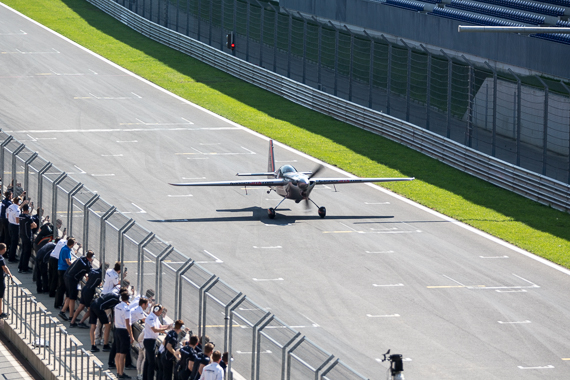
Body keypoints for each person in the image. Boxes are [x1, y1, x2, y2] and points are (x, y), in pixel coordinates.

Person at [89, 288, 126, 352]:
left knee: (93, 326)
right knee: (108, 325)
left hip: (93, 304)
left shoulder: (113, 295)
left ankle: (93, 346)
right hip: (99, 307)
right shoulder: (116, 299)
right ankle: (105, 345)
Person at [62, 250, 94, 324]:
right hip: (72, 279)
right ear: (91, 258)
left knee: (69, 296)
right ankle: (71, 316)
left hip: (67, 275)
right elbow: (91, 273)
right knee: (72, 298)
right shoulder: (86, 265)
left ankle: (63, 311)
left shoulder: (81, 258)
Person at [142, 304, 170, 380]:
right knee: (151, 363)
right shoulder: (150, 318)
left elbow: (160, 327)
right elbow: (155, 329)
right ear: (156, 310)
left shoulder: (155, 317)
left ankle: (145, 377)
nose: (161, 313)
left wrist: (168, 328)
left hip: (151, 341)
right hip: (149, 341)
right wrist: (167, 329)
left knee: (148, 362)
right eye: (160, 311)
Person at [114, 292, 134, 379]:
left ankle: (118, 372)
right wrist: (131, 336)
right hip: (123, 332)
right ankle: (121, 374)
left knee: (118, 353)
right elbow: (128, 324)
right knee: (123, 354)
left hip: (117, 329)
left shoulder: (117, 306)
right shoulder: (126, 309)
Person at [55, 238, 77, 312]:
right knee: (62, 287)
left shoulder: (64, 248)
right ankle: (59, 304)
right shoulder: (66, 250)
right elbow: (68, 261)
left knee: (62, 287)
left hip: (61, 268)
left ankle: (61, 304)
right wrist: (73, 267)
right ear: (72, 244)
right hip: (63, 269)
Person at [17, 204, 36, 273]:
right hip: (28, 236)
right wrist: (31, 227)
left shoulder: (20, 216)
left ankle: (20, 267)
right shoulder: (28, 218)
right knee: (27, 253)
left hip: (22, 235)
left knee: (23, 252)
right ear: (27, 210)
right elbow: (34, 225)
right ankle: (24, 268)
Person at [6, 196, 25, 263]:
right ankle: (11, 258)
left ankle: (11, 255)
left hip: (10, 224)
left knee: (11, 241)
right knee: (14, 243)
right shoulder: (17, 210)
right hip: (15, 226)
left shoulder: (10, 206)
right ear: (19, 202)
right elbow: (17, 221)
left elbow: (8, 215)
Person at [0, 243, 12, 319]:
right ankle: (0, 312)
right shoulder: (1, 258)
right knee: (0, 296)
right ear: (3, 249)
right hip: (0, 279)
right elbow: (5, 268)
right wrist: (10, 275)